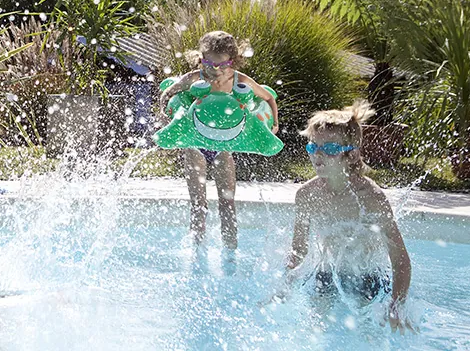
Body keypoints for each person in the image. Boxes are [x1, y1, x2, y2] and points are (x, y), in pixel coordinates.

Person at [280, 100, 413, 333]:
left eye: (330, 149)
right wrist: (283, 287)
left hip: (367, 278)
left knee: (365, 336)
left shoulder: (370, 198)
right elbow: (298, 251)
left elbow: (400, 259)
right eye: (313, 147)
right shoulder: (307, 195)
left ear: (351, 156)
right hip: (325, 275)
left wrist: (396, 304)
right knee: (315, 333)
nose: (318, 155)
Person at [158, 31, 279, 250]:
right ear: (200, 59)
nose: (215, 70)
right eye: (208, 63)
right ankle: (198, 252)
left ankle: (230, 253)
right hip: (195, 147)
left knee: (227, 203)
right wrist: (167, 116)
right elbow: (167, 94)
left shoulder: (239, 81)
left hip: (224, 149)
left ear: (233, 61)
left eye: (222, 65)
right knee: (197, 204)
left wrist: (274, 124)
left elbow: (269, 98)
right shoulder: (194, 78)